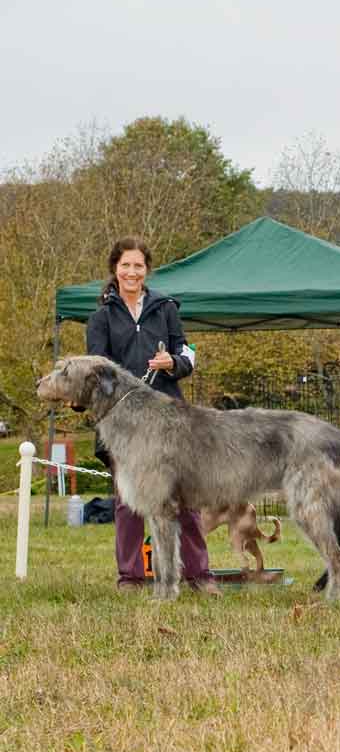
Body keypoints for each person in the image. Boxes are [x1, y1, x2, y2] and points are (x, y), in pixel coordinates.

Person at [85, 236, 219, 594]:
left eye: (138, 266)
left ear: (146, 270)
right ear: (115, 268)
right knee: (128, 504)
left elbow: (188, 352)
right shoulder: (100, 318)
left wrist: (173, 362)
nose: (132, 272)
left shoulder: (166, 309)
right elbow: (97, 370)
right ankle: (130, 577)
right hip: (123, 427)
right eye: (125, 265)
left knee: (185, 500)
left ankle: (199, 575)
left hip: (170, 423)